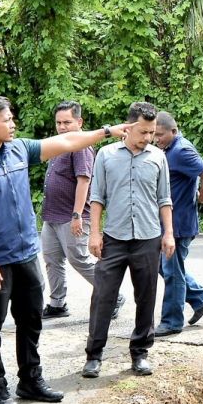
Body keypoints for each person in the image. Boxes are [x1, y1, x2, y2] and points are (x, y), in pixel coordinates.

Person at [0, 94, 132, 404]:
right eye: (7, 119)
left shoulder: (19, 149)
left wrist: (107, 131)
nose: (13, 124)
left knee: (31, 319)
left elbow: (68, 141)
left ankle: (30, 379)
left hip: (26, 254)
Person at [81, 102, 175, 379]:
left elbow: (164, 199)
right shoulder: (106, 155)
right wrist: (94, 233)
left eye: (152, 132)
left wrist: (168, 233)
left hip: (147, 238)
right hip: (114, 238)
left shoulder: (158, 157)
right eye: (144, 132)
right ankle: (94, 355)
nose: (148, 138)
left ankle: (140, 352)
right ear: (129, 126)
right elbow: (96, 197)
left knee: (146, 297)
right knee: (102, 297)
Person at [39, 101, 124, 321]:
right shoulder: (59, 144)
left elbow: (84, 180)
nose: (62, 126)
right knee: (51, 259)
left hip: (72, 216)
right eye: (59, 122)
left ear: (79, 122)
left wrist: (77, 214)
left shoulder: (81, 147)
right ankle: (57, 303)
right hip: (52, 214)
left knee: (79, 259)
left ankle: (113, 295)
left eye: (67, 122)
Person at [153, 111, 203, 336]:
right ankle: (200, 298)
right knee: (165, 267)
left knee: (172, 272)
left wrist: (201, 198)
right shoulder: (169, 149)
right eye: (153, 135)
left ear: (174, 131)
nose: (156, 139)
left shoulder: (181, 150)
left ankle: (171, 321)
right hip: (169, 222)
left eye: (160, 135)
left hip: (179, 224)